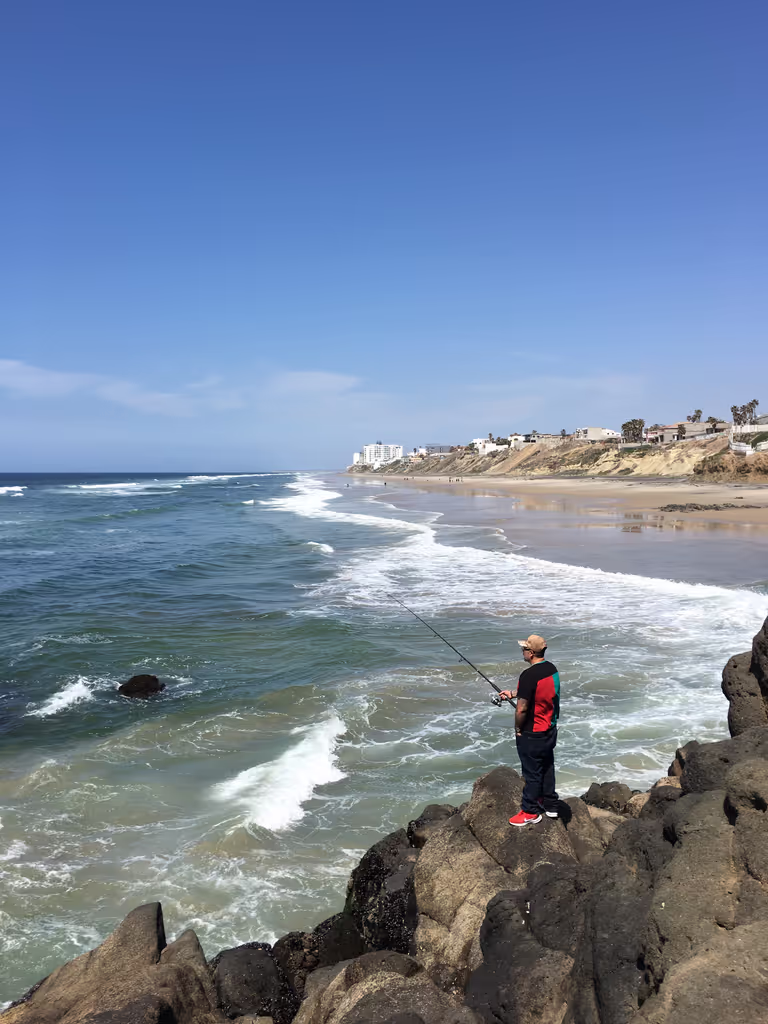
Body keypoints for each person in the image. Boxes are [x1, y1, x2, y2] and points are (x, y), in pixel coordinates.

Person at [498, 634, 560, 826]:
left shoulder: (528, 675)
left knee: (531, 772)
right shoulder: (551, 669)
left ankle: (530, 811)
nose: (522, 651)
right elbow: (538, 691)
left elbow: (521, 709)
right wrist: (512, 693)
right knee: (547, 765)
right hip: (550, 728)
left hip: (533, 732)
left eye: (524, 649)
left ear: (531, 652)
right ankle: (550, 804)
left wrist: (518, 728)